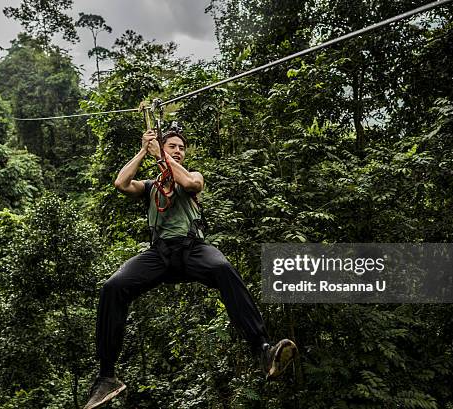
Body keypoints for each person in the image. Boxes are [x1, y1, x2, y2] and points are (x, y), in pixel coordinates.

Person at [84, 126, 298, 409]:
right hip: (159, 254)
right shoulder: (150, 186)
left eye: (181, 148)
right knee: (113, 287)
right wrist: (143, 150)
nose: (177, 150)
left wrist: (161, 155)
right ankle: (107, 377)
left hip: (192, 249)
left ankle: (263, 349)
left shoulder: (192, 176)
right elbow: (122, 183)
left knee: (223, 268)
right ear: (161, 150)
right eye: (171, 146)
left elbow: (191, 185)